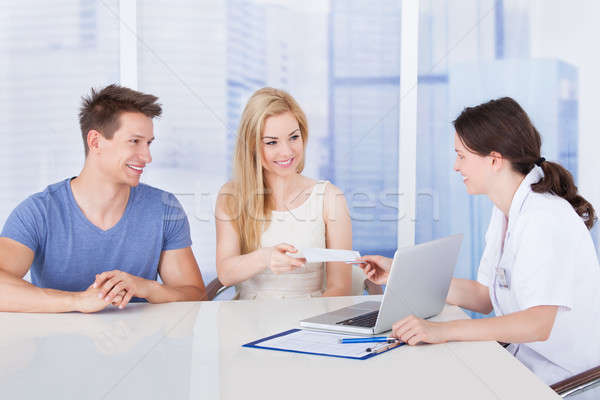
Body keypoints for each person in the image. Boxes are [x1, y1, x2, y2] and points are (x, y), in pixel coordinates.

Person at [360, 97, 600, 387]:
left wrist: (442, 330)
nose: (455, 166)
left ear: (495, 160)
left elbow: (538, 324)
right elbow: (484, 297)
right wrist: (399, 275)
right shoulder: (505, 210)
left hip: (564, 379)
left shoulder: (543, 218)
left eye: (461, 156)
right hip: (522, 361)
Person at [0, 84, 206, 313]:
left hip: (143, 345)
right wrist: (79, 301)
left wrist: (145, 287)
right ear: (95, 142)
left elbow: (194, 294)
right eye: (134, 141)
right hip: (55, 346)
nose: (147, 156)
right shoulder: (38, 212)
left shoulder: (164, 208)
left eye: (148, 143)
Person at [215, 87, 352, 299]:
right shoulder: (231, 195)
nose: (287, 151)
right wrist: (265, 257)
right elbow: (225, 274)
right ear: (251, 146)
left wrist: (309, 328)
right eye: (271, 142)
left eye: (293, 137)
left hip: (309, 320)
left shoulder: (330, 198)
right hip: (247, 323)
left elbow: (340, 287)